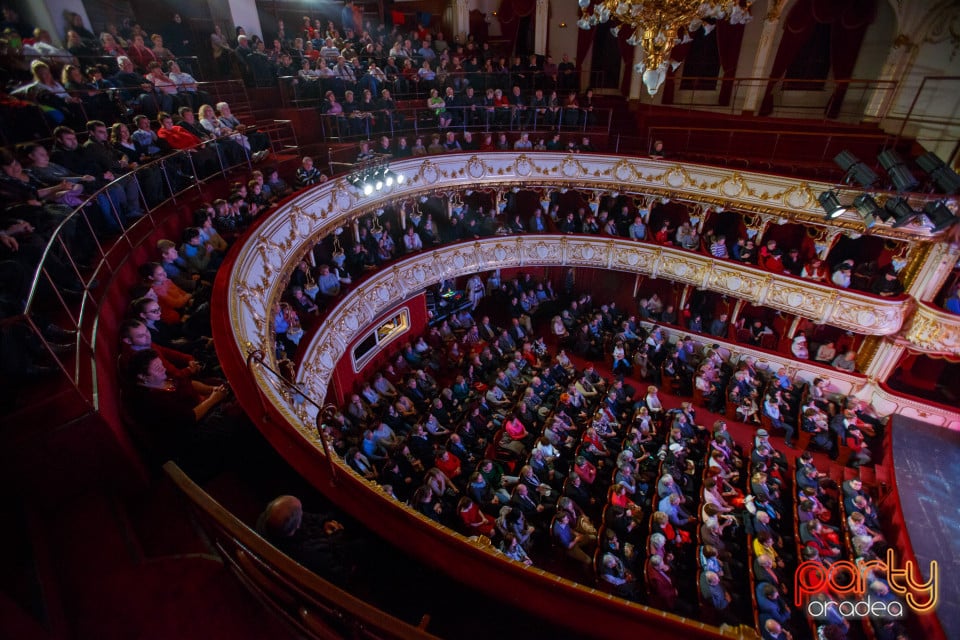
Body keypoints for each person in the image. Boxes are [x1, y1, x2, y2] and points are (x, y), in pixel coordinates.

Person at [256, 495, 357, 584]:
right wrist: (337, 537)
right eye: (301, 514)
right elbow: (341, 574)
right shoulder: (309, 553)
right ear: (297, 526)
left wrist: (324, 522)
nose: (303, 514)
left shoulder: (267, 520)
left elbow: (306, 517)